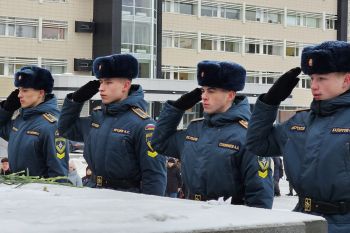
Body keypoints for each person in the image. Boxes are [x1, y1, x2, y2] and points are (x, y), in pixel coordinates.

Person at [246, 40, 350, 233]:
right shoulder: (299, 122)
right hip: (303, 220)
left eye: (322, 78)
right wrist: (270, 101)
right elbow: (257, 144)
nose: (314, 86)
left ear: (346, 81)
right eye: (312, 79)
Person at [151, 60, 273, 208]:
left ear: (230, 95)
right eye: (203, 90)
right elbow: (159, 143)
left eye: (211, 91)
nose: (204, 96)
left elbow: (260, 198)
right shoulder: (195, 128)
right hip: (190, 212)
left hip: (227, 220)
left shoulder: (248, 136)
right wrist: (176, 109)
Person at [58, 54, 166, 196]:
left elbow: (154, 177)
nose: (101, 88)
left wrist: (147, 212)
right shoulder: (97, 119)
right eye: (100, 82)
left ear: (126, 85)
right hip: (92, 193)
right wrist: (76, 101)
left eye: (108, 83)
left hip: (125, 200)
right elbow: (66, 129)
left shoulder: (144, 126)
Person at [0, 66, 68, 177]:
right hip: (19, 189)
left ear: (41, 93)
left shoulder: (52, 125)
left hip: (38, 191)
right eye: (19, 90)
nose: (19, 95)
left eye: (25, 90)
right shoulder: (20, 119)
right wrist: (6, 109)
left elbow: (58, 174)